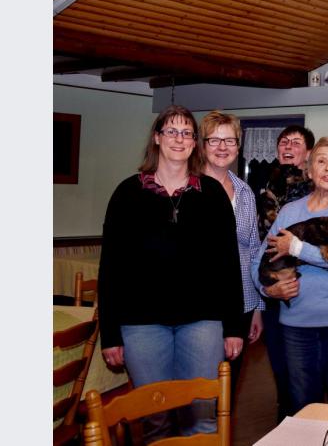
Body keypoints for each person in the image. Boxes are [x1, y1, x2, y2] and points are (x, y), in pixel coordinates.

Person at [98, 105, 243, 442]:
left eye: (187, 133)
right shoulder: (127, 194)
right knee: (155, 420)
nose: (179, 139)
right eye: (172, 131)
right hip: (142, 326)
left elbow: (228, 265)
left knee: (203, 418)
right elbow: (111, 269)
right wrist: (110, 334)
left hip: (202, 322)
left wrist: (234, 327)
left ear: (195, 144)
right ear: (157, 138)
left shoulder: (212, 196)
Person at [250, 137, 328, 413]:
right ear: (309, 170)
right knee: (304, 407)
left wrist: (296, 247)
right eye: (321, 161)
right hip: (297, 324)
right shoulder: (290, 211)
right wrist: (268, 289)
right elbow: (259, 258)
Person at [200, 110, 263, 399]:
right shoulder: (188, 189)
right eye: (214, 140)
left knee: (228, 389)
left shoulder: (245, 192)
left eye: (230, 140)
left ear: (238, 146)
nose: (222, 147)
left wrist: (258, 308)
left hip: (241, 303)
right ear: (202, 145)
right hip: (199, 304)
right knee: (198, 389)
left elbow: (253, 250)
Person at [257, 124, 315, 420]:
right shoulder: (268, 185)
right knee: (279, 359)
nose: (287, 146)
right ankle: (286, 417)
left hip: (305, 285)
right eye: (283, 141)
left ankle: (309, 417)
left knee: (305, 365)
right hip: (271, 285)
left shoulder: (316, 187)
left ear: (308, 152)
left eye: (295, 142)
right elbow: (260, 238)